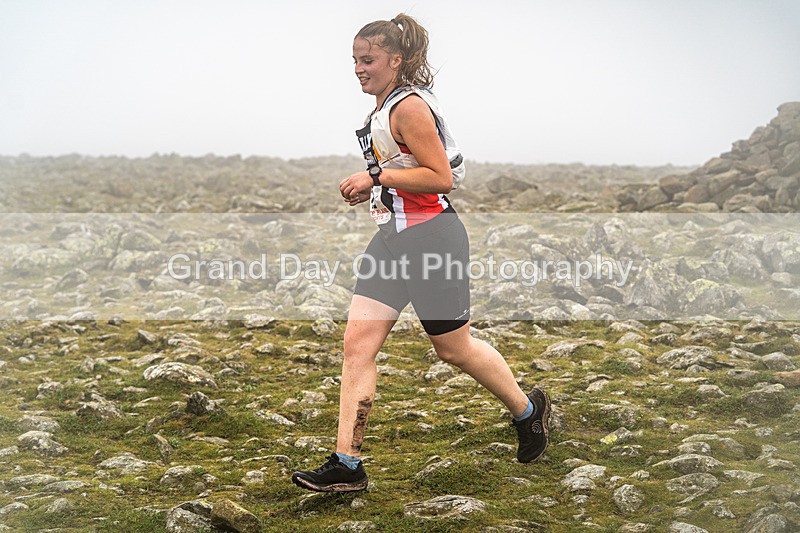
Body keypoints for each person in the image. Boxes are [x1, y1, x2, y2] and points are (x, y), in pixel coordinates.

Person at [291, 13, 550, 493]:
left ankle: (529, 412)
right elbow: (404, 166)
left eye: (367, 60)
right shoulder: (384, 106)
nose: (358, 69)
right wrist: (375, 185)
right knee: (356, 347)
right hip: (391, 240)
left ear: (397, 60)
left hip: (433, 241)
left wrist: (374, 177)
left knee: (453, 349)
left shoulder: (409, 107)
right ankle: (347, 466)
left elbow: (440, 178)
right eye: (354, 60)